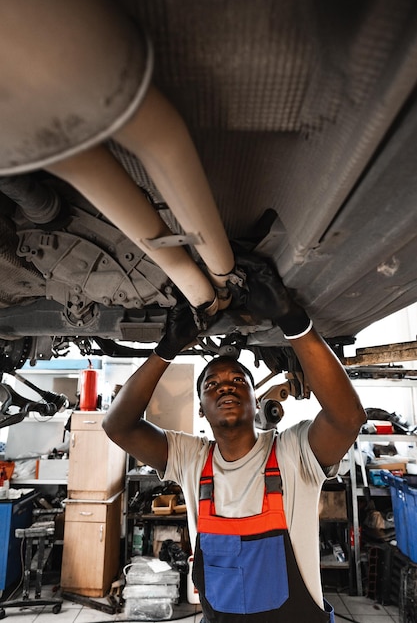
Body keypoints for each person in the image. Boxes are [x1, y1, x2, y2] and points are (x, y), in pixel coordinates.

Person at [103, 261, 366, 623]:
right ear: (201, 411)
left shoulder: (293, 452)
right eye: (211, 384)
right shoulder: (191, 460)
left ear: (256, 401)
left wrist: (293, 320)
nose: (225, 385)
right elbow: (118, 425)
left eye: (238, 381)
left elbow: (348, 417)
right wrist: (167, 348)